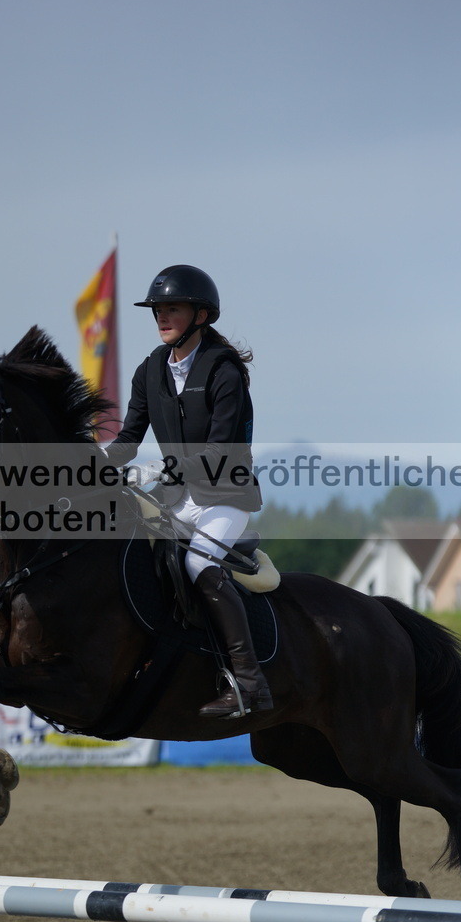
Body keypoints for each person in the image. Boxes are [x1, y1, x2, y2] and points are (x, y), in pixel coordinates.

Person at [104, 264, 272, 719]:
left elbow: (220, 451)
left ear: (201, 315)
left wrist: (161, 467)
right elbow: (127, 441)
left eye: (171, 309)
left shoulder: (225, 372)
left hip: (226, 496)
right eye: (157, 310)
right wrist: (91, 463)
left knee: (198, 561)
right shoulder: (149, 370)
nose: (161, 316)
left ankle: (249, 684)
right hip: (179, 499)